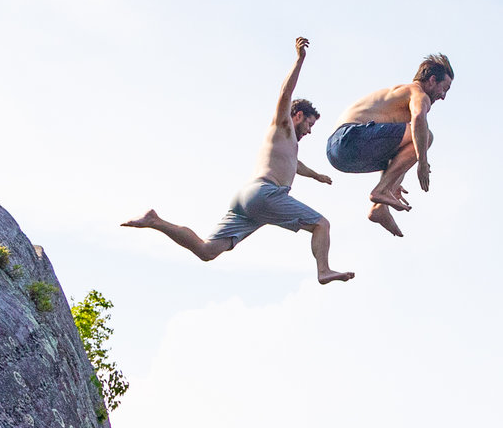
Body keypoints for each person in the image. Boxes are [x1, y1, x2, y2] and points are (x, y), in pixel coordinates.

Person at [124, 36, 353, 284]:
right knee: (321, 224)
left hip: (248, 200)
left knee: (207, 251)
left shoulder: (287, 144)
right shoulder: (283, 125)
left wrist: (316, 176)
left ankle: (154, 221)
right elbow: (285, 94)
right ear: (297, 116)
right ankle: (324, 270)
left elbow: (295, 164)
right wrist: (299, 60)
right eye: (309, 123)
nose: (309, 131)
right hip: (267, 194)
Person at [326, 53, 453, 236]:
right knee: (425, 137)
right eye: (444, 89)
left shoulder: (397, 99)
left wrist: (394, 177)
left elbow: (388, 146)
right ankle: (382, 190)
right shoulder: (417, 93)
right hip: (350, 137)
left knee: (408, 146)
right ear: (432, 80)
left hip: (338, 153)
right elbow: (418, 119)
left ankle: (380, 207)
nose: (443, 96)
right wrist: (422, 164)